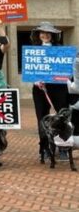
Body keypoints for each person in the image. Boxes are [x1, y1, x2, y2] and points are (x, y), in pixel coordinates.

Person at [30, 22, 70, 162]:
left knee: (62, 116)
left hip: (59, 88)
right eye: (42, 32)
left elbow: (66, 69)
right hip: (39, 89)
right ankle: (45, 148)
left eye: (48, 33)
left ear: (52, 35)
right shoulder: (33, 50)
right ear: (38, 35)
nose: (45, 35)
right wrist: (36, 81)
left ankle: (63, 148)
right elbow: (29, 70)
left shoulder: (60, 49)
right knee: (42, 118)